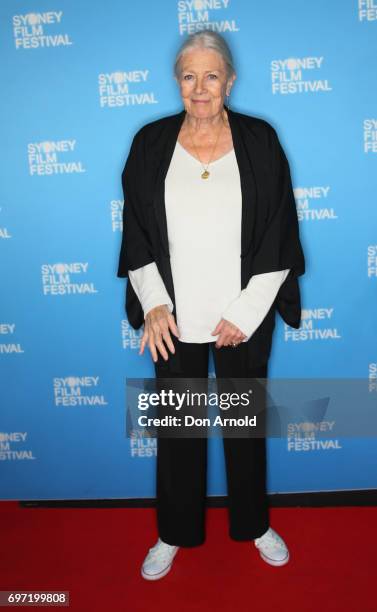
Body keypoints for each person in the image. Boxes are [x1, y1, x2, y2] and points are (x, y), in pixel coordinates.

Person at [117, 31, 305, 580]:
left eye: (212, 76)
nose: (200, 89)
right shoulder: (150, 143)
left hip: (240, 318)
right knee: (177, 432)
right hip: (173, 319)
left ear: (230, 80)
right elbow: (136, 233)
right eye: (189, 76)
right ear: (178, 81)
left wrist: (247, 312)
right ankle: (173, 532)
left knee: (245, 429)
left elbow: (279, 235)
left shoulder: (260, 140)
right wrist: (152, 303)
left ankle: (255, 525)